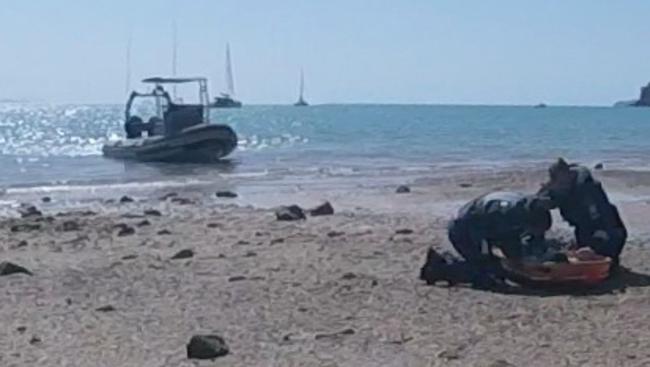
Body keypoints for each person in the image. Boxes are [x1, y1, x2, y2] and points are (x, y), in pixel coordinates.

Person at [423, 191, 552, 288]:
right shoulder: (503, 214)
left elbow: (512, 241)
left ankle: (448, 260)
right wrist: (494, 262)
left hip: (477, 225)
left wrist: (519, 260)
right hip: (463, 230)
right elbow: (496, 239)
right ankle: (438, 269)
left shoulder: (525, 207)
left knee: (502, 268)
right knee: (485, 275)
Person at [538, 158, 627, 268]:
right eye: (558, 183)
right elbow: (540, 203)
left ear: (570, 174)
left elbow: (606, 221)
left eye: (563, 182)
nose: (562, 185)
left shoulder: (589, 189)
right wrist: (544, 191)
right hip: (583, 229)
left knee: (602, 254)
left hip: (606, 230)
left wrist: (593, 248)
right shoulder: (559, 187)